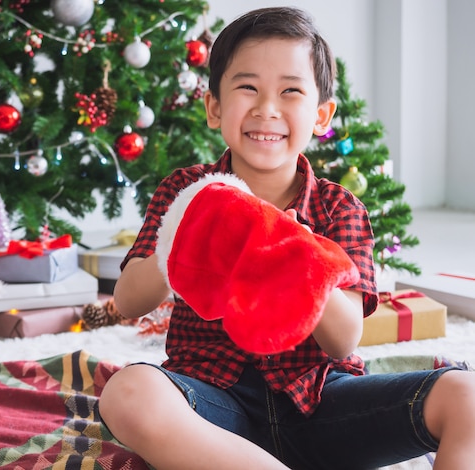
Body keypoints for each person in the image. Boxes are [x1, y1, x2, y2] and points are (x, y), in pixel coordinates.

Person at [98, 6, 475, 470]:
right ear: (214, 107)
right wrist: (180, 231)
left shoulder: (340, 208)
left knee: (467, 394)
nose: (266, 109)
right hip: (211, 409)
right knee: (126, 392)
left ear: (321, 115)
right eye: (247, 87)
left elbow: (343, 340)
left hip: (321, 404)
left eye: (290, 91)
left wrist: (296, 252)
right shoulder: (185, 190)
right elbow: (129, 301)